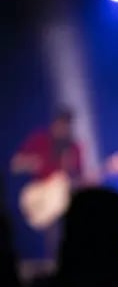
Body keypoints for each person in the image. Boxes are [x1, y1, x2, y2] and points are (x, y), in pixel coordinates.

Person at [11, 107, 85, 255]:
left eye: (67, 125)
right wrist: (30, 162)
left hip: (62, 197)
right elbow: (15, 165)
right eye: (60, 124)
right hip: (38, 195)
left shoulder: (74, 148)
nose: (63, 129)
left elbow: (78, 178)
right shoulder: (40, 140)